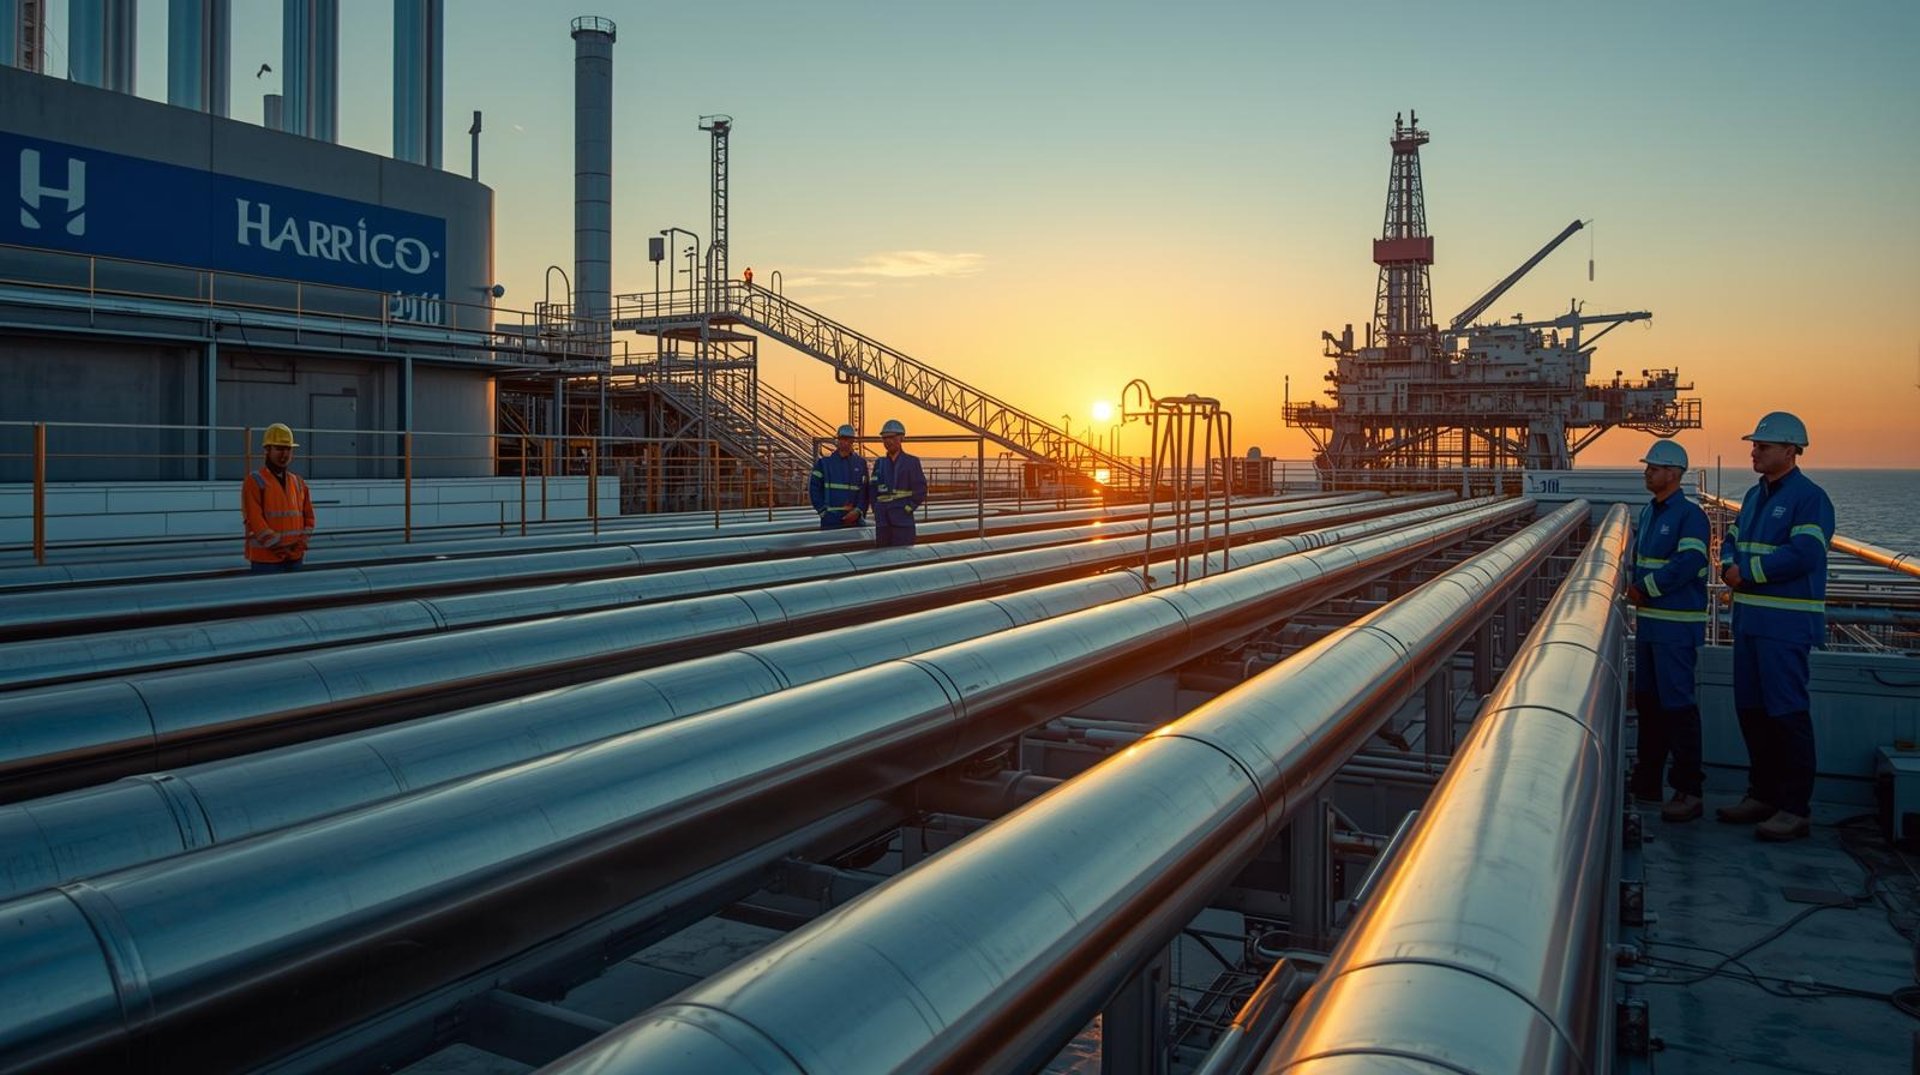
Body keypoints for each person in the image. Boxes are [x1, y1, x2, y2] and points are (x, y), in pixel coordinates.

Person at [1716, 411, 1834, 842]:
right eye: (1754, 445)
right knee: (1752, 710)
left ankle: (1794, 807)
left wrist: (1747, 574)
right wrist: (1729, 563)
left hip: (1785, 624)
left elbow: (1805, 554)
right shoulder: (1753, 496)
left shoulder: (1809, 498)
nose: (1754, 451)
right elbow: (1731, 538)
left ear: (1790, 450)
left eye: (1763, 446)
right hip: (1749, 621)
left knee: (1786, 714)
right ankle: (1761, 794)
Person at [1625, 439, 1710, 823]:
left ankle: (1688, 789)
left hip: (1676, 626)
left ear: (1673, 475)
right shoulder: (1650, 512)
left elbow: (1690, 561)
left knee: (1677, 707)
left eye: (1654, 468)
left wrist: (1646, 588)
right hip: (1650, 625)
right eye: (1648, 467)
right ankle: (1647, 781)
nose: (1647, 472)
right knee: (1649, 703)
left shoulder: (1690, 517)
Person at [242, 422, 316, 573]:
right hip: (266, 560)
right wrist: (281, 548)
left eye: (288, 449)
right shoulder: (254, 481)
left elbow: (309, 518)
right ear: (267, 450)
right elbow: (255, 521)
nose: (285, 454)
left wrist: (299, 546)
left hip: (294, 558)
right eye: (279, 449)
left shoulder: (298, 482)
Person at [867, 418, 926, 548]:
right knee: (883, 555)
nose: (888, 441)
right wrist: (876, 509)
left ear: (901, 438)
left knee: (903, 554)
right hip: (883, 520)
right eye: (885, 438)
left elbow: (920, 489)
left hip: (902, 519)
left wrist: (908, 508)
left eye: (892, 437)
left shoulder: (911, 462)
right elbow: (873, 489)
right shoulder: (880, 463)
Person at [809, 424, 869, 530]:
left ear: (852, 441)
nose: (843, 442)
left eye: (847, 439)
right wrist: (823, 512)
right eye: (841, 438)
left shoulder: (860, 464)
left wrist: (858, 510)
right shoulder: (824, 464)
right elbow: (814, 489)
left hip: (854, 519)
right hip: (831, 519)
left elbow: (865, 491)